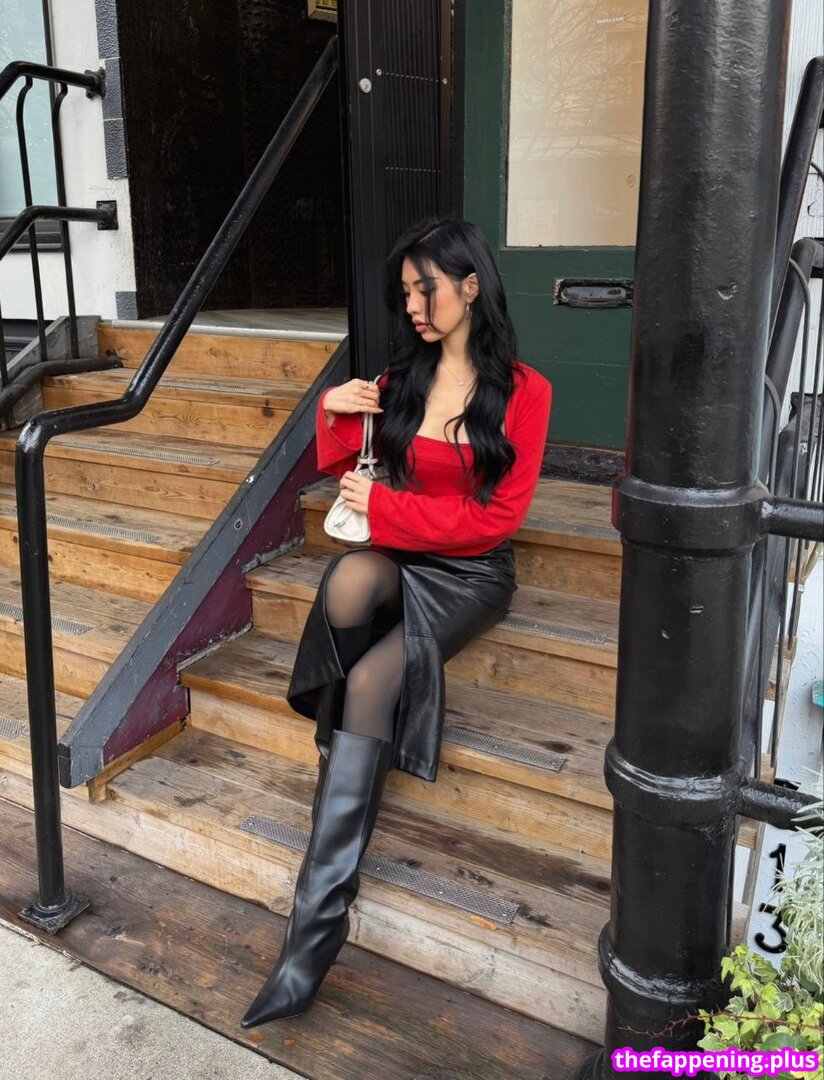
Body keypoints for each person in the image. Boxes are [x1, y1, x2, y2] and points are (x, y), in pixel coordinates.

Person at [241, 216, 552, 1029]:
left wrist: (387, 510)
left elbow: (497, 519)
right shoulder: (400, 377)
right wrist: (334, 410)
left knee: (375, 673)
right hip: (396, 554)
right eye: (405, 292)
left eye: (426, 289)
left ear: (471, 286)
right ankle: (347, 747)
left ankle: (308, 947)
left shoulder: (526, 391)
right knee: (347, 581)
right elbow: (349, 465)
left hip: (471, 572)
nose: (412, 305)